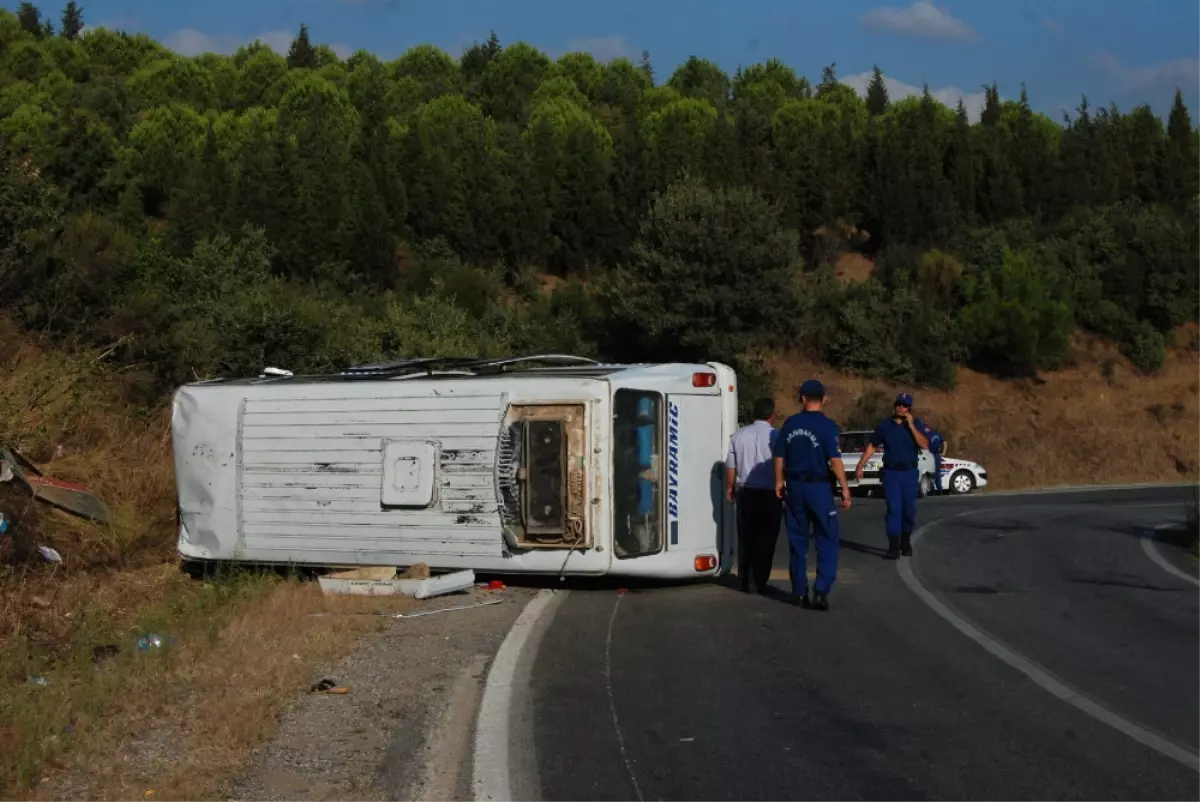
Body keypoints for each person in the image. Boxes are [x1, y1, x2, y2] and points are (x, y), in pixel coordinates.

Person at [772, 379, 851, 611]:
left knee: (798, 541)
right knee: (826, 538)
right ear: (824, 399)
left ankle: (798, 592)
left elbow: (779, 456)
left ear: (803, 398)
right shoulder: (827, 426)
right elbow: (834, 460)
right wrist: (845, 488)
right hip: (818, 487)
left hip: (794, 486)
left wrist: (778, 480)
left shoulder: (790, 424)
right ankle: (821, 590)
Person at [856, 392, 929, 559]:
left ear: (909, 408)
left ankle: (905, 541)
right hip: (891, 472)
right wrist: (861, 465)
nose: (900, 408)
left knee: (908, 510)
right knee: (894, 509)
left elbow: (924, 444)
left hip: (909, 472)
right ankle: (893, 546)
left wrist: (911, 426)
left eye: (904, 405)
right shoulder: (885, 426)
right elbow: (873, 446)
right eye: (898, 404)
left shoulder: (915, 424)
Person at [725, 398, 783, 595]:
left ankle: (745, 578)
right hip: (769, 491)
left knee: (746, 536)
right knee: (766, 538)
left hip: (746, 491)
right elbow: (782, 463)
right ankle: (759, 580)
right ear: (772, 416)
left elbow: (731, 466)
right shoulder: (776, 435)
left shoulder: (738, 435)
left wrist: (730, 487)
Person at [922, 422, 945, 495]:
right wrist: (944, 452)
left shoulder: (925, 435)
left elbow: (924, 445)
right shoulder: (936, 434)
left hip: (930, 455)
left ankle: (932, 489)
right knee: (937, 472)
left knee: (929, 472)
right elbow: (945, 442)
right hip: (937, 455)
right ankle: (939, 489)